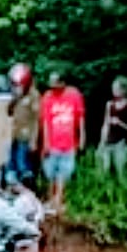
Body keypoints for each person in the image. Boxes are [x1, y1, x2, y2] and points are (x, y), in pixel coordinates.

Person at [39, 69, 85, 213]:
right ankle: (51, 200)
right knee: (50, 173)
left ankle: (58, 201)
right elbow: (45, 121)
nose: (52, 88)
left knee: (64, 173)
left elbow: (80, 116)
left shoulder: (74, 95)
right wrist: (46, 142)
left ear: (63, 83)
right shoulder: (47, 97)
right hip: (52, 142)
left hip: (69, 142)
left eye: (55, 85)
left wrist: (82, 135)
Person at [98, 76, 127, 180]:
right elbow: (105, 124)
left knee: (121, 173)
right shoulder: (110, 104)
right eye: (113, 88)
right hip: (108, 142)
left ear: (124, 90)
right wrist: (101, 142)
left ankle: (124, 194)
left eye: (116, 89)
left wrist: (121, 123)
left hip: (121, 143)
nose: (114, 91)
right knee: (104, 172)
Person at [7, 62, 40, 178]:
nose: (15, 88)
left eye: (17, 85)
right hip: (14, 135)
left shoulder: (33, 96)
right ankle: (12, 186)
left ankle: (26, 186)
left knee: (23, 165)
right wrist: (14, 99)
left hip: (26, 136)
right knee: (11, 165)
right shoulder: (16, 97)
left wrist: (33, 140)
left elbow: (37, 119)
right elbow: (9, 112)